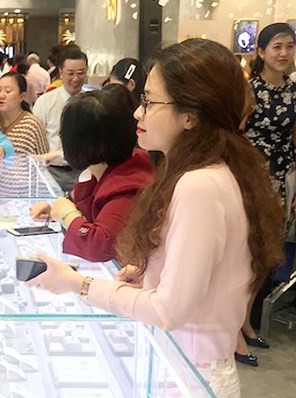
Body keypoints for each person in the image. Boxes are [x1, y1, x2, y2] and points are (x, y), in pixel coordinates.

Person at [27, 39, 284, 397]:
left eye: (149, 102)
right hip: (186, 364)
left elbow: (169, 311)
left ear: (190, 114)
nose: (137, 113)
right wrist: (153, 271)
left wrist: (78, 284)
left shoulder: (200, 184)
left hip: (191, 373)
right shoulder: (208, 172)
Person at [29, 85, 153, 262]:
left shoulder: (127, 188)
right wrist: (56, 212)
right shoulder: (110, 172)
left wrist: (67, 215)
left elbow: (99, 244)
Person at [240, 22, 296, 366]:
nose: (284, 54)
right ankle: (236, 326)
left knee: (266, 258)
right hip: (253, 181)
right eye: (276, 46)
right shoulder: (249, 91)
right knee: (245, 255)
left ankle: (246, 323)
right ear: (260, 52)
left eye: (289, 46)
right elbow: (236, 135)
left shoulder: (294, 91)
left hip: (283, 181)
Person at [33, 46, 88, 191]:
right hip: (52, 172)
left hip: (84, 172)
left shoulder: (92, 102)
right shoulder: (45, 101)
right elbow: (35, 137)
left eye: (81, 73)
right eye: (70, 73)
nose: (76, 79)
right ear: (61, 73)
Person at [0, 72, 49, 196]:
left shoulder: (32, 124)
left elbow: (43, 162)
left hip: (21, 195)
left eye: (8, 91)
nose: (1, 95)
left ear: (22, 96)